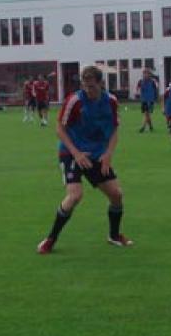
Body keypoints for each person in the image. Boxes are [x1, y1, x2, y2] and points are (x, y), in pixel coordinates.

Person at [37, 65, 131, 254]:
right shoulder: (75, 101)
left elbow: (114, 130)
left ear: (101, 84)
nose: (88, 90)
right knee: (75, 195)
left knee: (116, 195)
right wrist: (77, 153)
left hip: (96, 154)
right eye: (85, 86)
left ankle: (114, 235)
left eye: (92, 87)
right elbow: (60, 129)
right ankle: (50, 239)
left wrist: (107, 155)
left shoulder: (111, 101)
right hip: (71, 152)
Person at [135, 68, 159, 132]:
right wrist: (137, 92)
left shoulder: (153, 81)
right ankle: (151, 126)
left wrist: (156, 98)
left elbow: (156, 89)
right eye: (144, 73)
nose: (145, 75)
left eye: (147, 73)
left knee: (147, 113)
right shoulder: (140, 81)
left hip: (150, 100)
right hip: (143, 100)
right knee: (147, 114)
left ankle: (143, 127)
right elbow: (137, 88)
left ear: (149, 74)